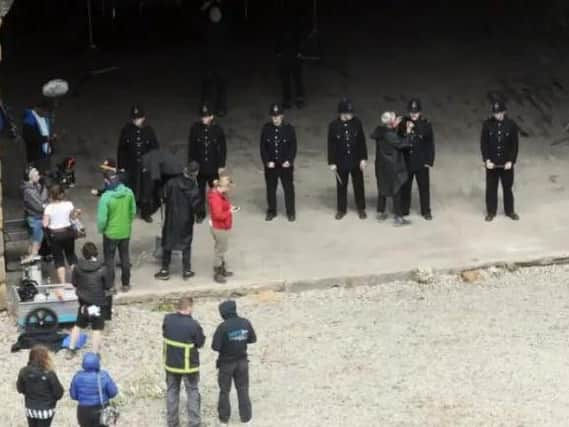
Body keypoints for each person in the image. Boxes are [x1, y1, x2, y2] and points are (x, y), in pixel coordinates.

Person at [212, 300, 257, 426]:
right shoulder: (245, 322)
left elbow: (215, 347)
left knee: (224, 391)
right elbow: (253, 339)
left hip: (226, 364)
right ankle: (246, 418)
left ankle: (224, 419)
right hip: (242, 362)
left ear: (223, 313)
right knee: (243, 389)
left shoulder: (223, 327)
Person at [163, 297, 206, 427]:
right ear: (189, 308)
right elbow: (200, 343)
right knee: (192, 392)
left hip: (171, 364)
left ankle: (172, 422)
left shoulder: (168, 319)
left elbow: (164, 333)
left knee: (172, 391)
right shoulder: (194, 324)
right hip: (189, 367)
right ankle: (194, 423)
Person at [155, 161, 201, 281]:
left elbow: (162, 195)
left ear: (185, 170)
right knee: (186, 244)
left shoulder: (172, 183)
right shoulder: (194, 188)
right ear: (195, 173)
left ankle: (165, 270)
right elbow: (197, 207)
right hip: (186, 220)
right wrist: (200, 216)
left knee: (167, 243)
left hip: (171, 218)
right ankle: (186, 270)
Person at [66, 242, 111, 359]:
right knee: (97, 328)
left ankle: (71, 349)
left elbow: (74, 283)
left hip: (83, 302)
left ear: (83, 254)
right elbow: (107, 285)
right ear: (96, 252)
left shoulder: (77, 267)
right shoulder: (102, 268)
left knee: (78, 325)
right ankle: (95, 353)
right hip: (97, 302)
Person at [117, 104, 159, 223]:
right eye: (134, 119)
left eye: (138, 118)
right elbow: (122, 150)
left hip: (146, 167)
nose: (136, 121)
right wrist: (122, 167)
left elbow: (155, 149)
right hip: (132, 166)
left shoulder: (149, 131)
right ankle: (130, 212)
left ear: (143, 118)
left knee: (146, 190)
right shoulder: (126, 130)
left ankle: (145, 213)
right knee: (131, 190)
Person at [327, 97, 368, 220]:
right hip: (341, 161)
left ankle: (361, 208)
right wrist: (332, 162)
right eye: (348, 113)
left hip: (355, 160)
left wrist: (363, 158)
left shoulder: (357, 123)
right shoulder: (334, 126)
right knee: (341, 186)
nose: (351, 115)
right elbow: (331, 144)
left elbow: (361, 141)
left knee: (358, 185)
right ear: (342, 113)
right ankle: (341, 209)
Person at [97, 170, 136, 292]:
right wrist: (127, 223)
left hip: (110, 233)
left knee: (109, 260)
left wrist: (102, 229)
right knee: (125, 257)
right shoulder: (129, 192)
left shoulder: (106, 197)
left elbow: (102, 219)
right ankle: (126, 284)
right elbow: (133, 211)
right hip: (125, 232)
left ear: (106, 181)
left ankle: (110, 286)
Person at [371, 112, 412, 226]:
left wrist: (394, 127)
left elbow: (387, 135)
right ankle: (398, 217)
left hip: (381, 165)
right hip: (393, 166)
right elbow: (403, 144)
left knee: (382, 188)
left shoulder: (379, 131)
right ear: (391, 123)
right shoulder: (390, 135)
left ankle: (380, 212)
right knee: (396, 189)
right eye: (394, 118)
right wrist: (408, 131)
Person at [481, 100, 520, 222]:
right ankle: (491, 211)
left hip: (506, 163)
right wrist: (486, 159)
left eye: (499, 113)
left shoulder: (511, 125)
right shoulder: (487, 124)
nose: (496, 115)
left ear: (504, 112)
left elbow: (514, 145)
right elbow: (484, 143)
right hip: (492, 163)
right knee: (491, 188)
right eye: (495, 113)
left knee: (507, 188)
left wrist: (511, 161)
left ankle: (510, 211)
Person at [188, 103, 227, 223]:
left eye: (206, 116)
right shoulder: (195, 129)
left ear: (211, 117)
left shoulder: (217, 130)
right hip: (200, 167)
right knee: (199, 191)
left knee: (215, 191)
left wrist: (221, 165)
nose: (203, 118)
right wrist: (191, 165)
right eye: (202, 116)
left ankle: (217, 212)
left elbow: (222, 149)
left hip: (213, 167)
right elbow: (192, 148)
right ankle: (200, 213)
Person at [260, 103, 297, 222]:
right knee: (271, 189)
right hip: (272, 165)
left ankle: (290, 212)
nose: (275, 118)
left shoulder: (289, 129)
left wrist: (289, 160)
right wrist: (267, 161)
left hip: (285, 165)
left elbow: (293, 146)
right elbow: (263, 147)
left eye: (277, 116)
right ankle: (271, 211)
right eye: (273, 116)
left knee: (288, 189)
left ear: (282, 116)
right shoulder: (266, 129)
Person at [400, 98, 435, 220]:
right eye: (411, 112)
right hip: (407, 161)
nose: (413, 114)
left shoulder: (426, 124)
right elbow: (399, 140)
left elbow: (430, 144)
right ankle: (404, 209)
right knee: (405, 187)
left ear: (420, 112)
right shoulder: (403, 123)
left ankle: (426, 211)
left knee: (424, 188)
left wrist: (429, 161)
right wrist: (407, 131)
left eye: (416, 112)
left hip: (421, 162)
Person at [17, 345, 64, 427]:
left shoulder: (24, 371)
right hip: (46, 409)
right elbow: (59, 393)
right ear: (45, 358)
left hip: (30, 408)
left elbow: (20, 389)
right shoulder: (49, 373)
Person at [70, 352, 119, 427]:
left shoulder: (77, 377)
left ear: (83, 364)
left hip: (83, 411)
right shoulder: (103, 375)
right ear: (98, 364)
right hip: (101, 408)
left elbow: (73, 395)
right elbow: (113, 392)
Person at [200, 0, 230, 116]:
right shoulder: (209, 26)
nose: (215, 15)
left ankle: (217, 108)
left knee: (218, 85)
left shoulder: (219, 26)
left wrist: (207, 6)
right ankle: (209, 108)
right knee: (210, 85)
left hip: (217, 61)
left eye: (217, 13)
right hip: (211, 61)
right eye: (213, 13)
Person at [43, 185, 79, 284]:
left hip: (55, 236)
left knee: (59, 260)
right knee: (71, 256)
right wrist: (77, 213)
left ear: (51, 195)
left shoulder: (48, 208)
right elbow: (74, 217)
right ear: (62, 194)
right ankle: (76, 281)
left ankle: (63, 283)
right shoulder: (69, 204)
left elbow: (45, 224)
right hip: (68, 233)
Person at [208, 175, 236, 283]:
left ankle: (222, 269)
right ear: (225, 187)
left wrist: (229, 207)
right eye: (229, 187)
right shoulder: (216, 198)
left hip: (221, 226)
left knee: (221, 248)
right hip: (220, 227)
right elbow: (218, 215)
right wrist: (229, 211)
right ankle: (217, 272)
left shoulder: (220, 194)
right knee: (220, 250)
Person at [21, 166, 48, 262]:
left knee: (34, 241)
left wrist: (44, 188)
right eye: (36, 174)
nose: (38, 175)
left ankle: (30, 259)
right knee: (36, 242)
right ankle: (30, 258)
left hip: (37, 217)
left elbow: (44, 201)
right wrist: (44, 205)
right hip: (35, 219)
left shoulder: (37, 186)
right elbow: (40, 207)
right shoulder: (28, 191)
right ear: (30, 177)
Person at [22, 103, 54, 174]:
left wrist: (51, 140)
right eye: (45, 112)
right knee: (36, 175)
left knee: (45, 173)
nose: (46, 115)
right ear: (38, 108)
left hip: (46, 152)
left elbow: (46, 131)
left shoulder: (44, 117)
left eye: (48, 113)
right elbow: (29, 139)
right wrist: (46, 139)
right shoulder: (29, 120)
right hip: (36, 155)